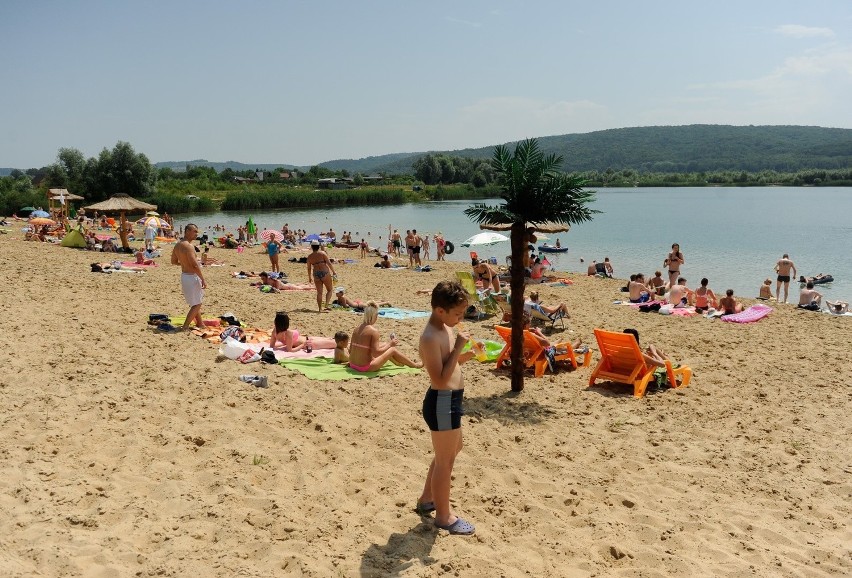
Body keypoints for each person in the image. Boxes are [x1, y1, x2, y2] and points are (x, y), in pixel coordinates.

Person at [417, 280, 475, 536]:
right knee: (445, 461)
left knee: (452, 451)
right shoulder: (430, 336)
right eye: (457, 314)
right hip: (441, 401)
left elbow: (450, 363)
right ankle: (443, 516)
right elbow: (439, 378)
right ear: (440, 310)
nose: (460, 318)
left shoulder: (446, 327)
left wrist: (468, 354)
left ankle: (427, 498)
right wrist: (460, 346)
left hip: (451, 399)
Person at [348, 302, 422, 372]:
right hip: (365, 367)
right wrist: (390, 344)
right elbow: (376, 353)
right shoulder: (373, 331)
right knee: (392, 349)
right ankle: (415, 365)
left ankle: (397, 362)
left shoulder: (356, 329)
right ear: (374, 316)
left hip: (352, 364)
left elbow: (351, 349)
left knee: (383, 344)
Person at [170, 223, 207, 331]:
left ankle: (200, 323)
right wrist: (203, 279)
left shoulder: (177, 245)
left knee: (195, 301)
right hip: (192, 277)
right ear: (187, 231)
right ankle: (185, 326)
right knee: (198, 304)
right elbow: (195, 265)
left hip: (185, 276)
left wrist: (184, 263)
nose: (196, 234)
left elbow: (173, 261)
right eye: (194, 231)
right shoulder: (189, 246)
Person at [268, 311, 336, 351]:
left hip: (308, 339)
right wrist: (303, 345)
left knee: (332, 340)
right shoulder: (288, 333)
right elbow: (290, 350)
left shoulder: (275, 331)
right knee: (336, 343)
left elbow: (272, 346)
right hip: (309, 344)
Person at [306, 239, 337, 311]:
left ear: (312, 247)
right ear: (318, 246)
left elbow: (309, 268)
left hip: (316, 274)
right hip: (325, 273)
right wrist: (334, 272)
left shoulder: (310, 256)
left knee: (319, 292)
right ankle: (326, 305)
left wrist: (309, 277)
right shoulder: (322, 253)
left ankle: (320, 309)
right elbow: (329, 263)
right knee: (329, 290)